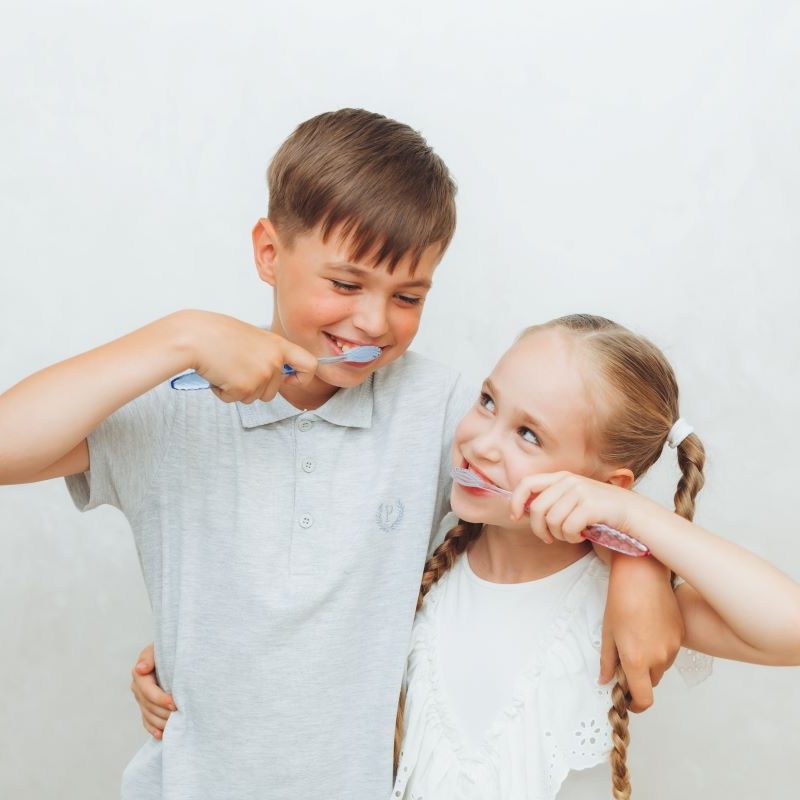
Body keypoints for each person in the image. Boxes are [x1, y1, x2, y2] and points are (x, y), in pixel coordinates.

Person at [0, 111, 682, 799]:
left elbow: (559, 480)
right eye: (347, 285)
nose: (374, 322)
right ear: (270, 253)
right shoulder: (174, 408)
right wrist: (182, 336)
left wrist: (636, 567)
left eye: (409, 296)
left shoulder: (442, 412)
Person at [387, 315, 800, 799]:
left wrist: (633, 519)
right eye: (487, 401)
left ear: (605, 487)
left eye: (528, 435)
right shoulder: (420, 547)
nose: (480, 446)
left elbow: (789, 628)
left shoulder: (617, 607)